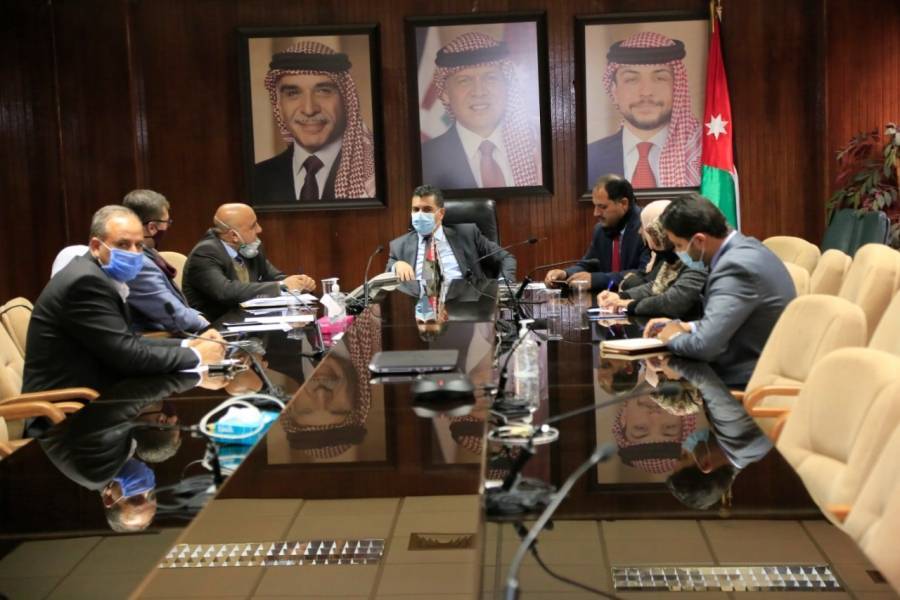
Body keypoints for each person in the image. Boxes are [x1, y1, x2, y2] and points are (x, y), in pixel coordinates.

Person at [23, 206, 224, 393]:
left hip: (97, 389)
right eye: (123, 244)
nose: (134, 253)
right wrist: (198, 356)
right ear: (96, 246)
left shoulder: (100, 275)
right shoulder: (85, 283)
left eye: (139, 245)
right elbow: (129, 357)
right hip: (68, 406)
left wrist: (190, 344)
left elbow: (129, 342)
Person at [644, 194, 795, 387]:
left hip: (745, 382)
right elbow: (736, 317)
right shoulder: (746, 246)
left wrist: (670, 338)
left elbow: (703, 347)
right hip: (747, 362)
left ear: (699, 240)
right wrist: (687, 327)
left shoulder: (735, 268)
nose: (678, 252)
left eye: (679, 245)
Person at [253, 41, 375, 204]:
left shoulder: (374, 175)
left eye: (323, 91)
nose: (309, 109)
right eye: (293, 93)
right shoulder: (255, 178)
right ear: (279, 106)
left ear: (346, 100)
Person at [421, 32, 541, 189]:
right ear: (445, 94)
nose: (479, 91)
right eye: (464, 81)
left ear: (507, 86)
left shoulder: (539, 146)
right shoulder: (424, 160)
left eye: (490, 78)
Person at [587, 31, 701, 190]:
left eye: (660, 78)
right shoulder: (589, 158)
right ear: (614, 91)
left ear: (677, 87)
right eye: (631, 79)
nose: (646, 92)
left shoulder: (704, 156)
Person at [182, 203, 315, 322]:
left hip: (248, 321)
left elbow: (275, 277)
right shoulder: (205, 253)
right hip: (215, 328)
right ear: (234, 235)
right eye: (253, 226)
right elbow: (226, 291)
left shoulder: (248, 247)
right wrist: (281, 286)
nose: (259, 229)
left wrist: (298, 283)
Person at [596, 199, 706, 319]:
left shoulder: (697, 261)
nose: (640, 231)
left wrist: (628, 304)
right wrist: (621, 296)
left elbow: (673, 302)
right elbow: (656, 286)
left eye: (678, 245)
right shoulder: (673, 256)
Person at [386, 184, 516, 282]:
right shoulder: (399, 246)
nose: (420, 215)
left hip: (466, 303)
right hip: (421, 306)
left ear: (441, 213)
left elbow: (506, 258)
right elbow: (386, 277)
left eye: (427, 210)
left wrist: (503, 286)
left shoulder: (467, 234)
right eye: (415, 210)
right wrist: (396, 266)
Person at [121, 189, 208, 333]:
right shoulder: (138, 264)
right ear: (152, 227)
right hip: (157, 337)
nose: (168, 226)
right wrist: (207, 324)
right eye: (167, 222)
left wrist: (198, 317)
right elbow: (177, 317)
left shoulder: (149, 253)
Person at [545, 175, 650, 292]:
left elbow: (645, 274)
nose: (596, 213)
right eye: (595, 206)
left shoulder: (647, 228)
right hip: (607, 299)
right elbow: (589, 264)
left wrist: (598, 280)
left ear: (623, 203)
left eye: (602, 207)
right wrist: (566, 274)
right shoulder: (600, 230)